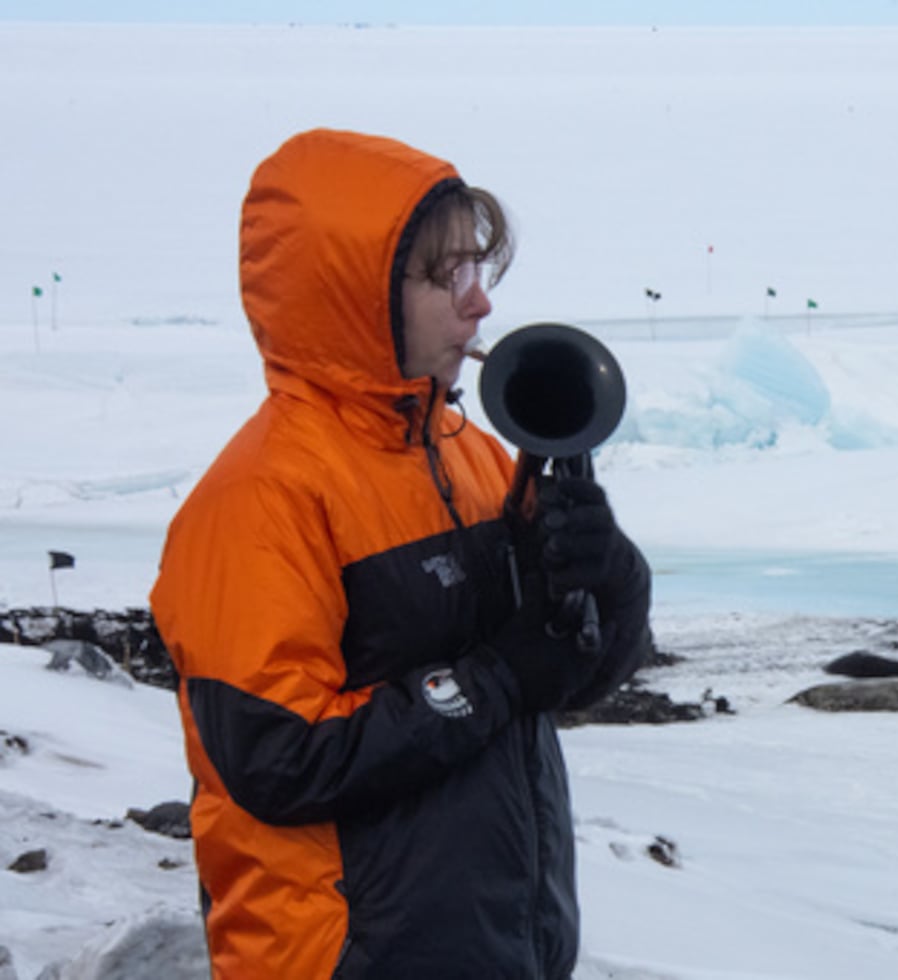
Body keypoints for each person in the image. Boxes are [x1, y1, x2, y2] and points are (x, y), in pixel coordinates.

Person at [150, 128, 651, 980]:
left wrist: (610, 572)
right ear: (351, 293)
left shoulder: (474, 455)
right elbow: (279, 760)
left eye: (478, 270)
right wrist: (494, 678)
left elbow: (583, 667)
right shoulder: (259, 501)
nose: (479, 304)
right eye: (443, 275)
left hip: (500, 947)